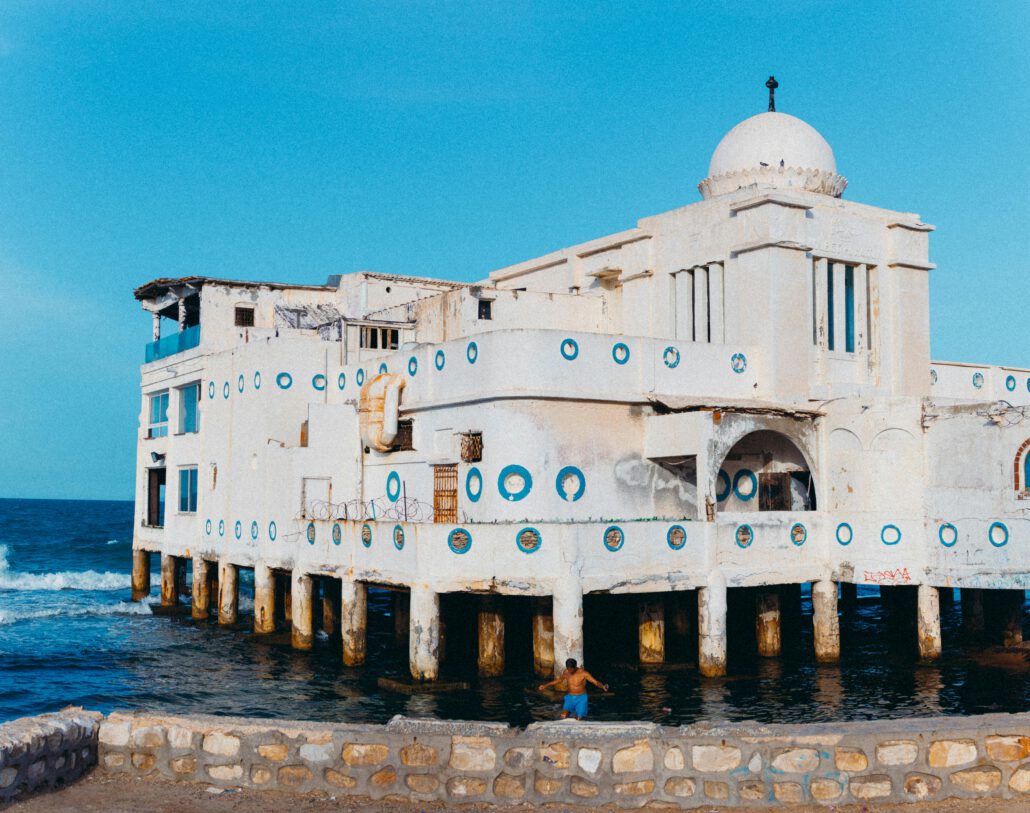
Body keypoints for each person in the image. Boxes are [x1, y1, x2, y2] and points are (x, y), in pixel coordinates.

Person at [538, 658, 608, 720]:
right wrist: (545, 685)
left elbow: (595, 682)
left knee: (579, 719)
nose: (569, 671)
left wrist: (602, 686)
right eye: (568, 668)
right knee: (563, 715)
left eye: (571, 669)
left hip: (581, 698)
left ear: (575, 667)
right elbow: (559, 680)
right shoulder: (566, 672)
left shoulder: (583, 673)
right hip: (570, 697)